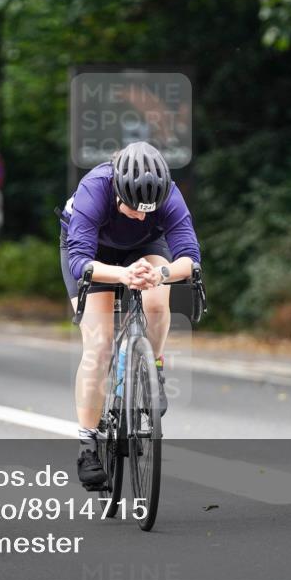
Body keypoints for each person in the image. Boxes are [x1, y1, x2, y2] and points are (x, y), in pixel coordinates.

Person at [59, 141, 201, 488]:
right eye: (133, 207)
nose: (140, 215)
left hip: (145, 246)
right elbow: (79, 262)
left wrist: (161, 274)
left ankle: (153, 366)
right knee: (99, 344)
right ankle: (88, 445)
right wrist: (122, 275)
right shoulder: (95, 189)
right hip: (93, 251)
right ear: (118, 190)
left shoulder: (168, 196)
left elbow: (190, 258)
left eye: (147, 210)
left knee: (157, 302)